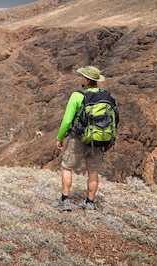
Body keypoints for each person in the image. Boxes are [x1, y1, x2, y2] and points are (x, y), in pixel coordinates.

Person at [55, 66, 111, 211]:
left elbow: (67, 121)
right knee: (93, 172)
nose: (81, 78)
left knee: (67, 167)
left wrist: (60, 137)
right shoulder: (106, 96)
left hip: (78, 139)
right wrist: (109, 141)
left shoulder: (77, 96)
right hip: (98, 140)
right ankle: (90, 203)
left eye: (82, 76)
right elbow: (113, 120)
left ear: (86, 80)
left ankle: (64, 201)